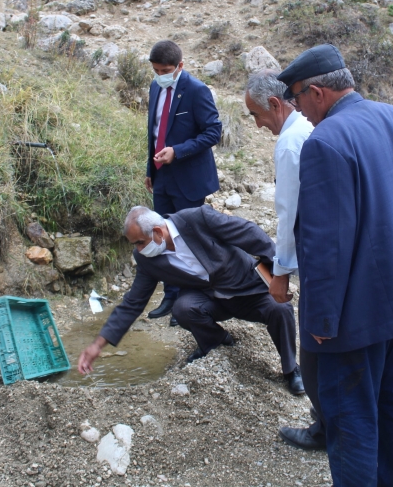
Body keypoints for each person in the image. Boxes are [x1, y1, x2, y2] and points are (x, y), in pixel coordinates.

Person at [277, 44, 393, 486]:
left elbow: (325, 244)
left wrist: (321, 319)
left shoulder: (326, 141)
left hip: (356, 317)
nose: (298, 110)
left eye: (297, 99)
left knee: (352, 422)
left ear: (316, 92)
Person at [78, 205, 305, 396]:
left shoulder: (197, 219)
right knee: (183, 309)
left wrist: (279, 275)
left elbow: (249, 233)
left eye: (138, 242)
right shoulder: (147, 259)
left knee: (281, 308)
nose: (137, 250)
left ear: (158, 232)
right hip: (211, 298)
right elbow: (133, 302)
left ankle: (290, 369)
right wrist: (98, 344)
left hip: (246, 288)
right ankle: (218, 341)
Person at [245, 71, 323, 451]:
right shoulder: (308, 128)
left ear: (275, 105)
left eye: (257, 115)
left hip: (312, 258)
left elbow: (288, 213)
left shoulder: (291, 142)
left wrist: (280, 274)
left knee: (315, 346)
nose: (258, 125)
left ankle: (323, 425)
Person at [144, 40, 222, 326]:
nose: (160, 74)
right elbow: (153, 133)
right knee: (163, 237)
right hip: (162, 176)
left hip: (189, 179)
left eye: (165, 70)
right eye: (156, 70)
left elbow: (213, 131)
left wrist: (178, 151)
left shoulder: (197, 90)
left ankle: (189, 302)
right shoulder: (155, 87)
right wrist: (149, 169)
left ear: (180, 66)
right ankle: (170, 294)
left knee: (188, 240)